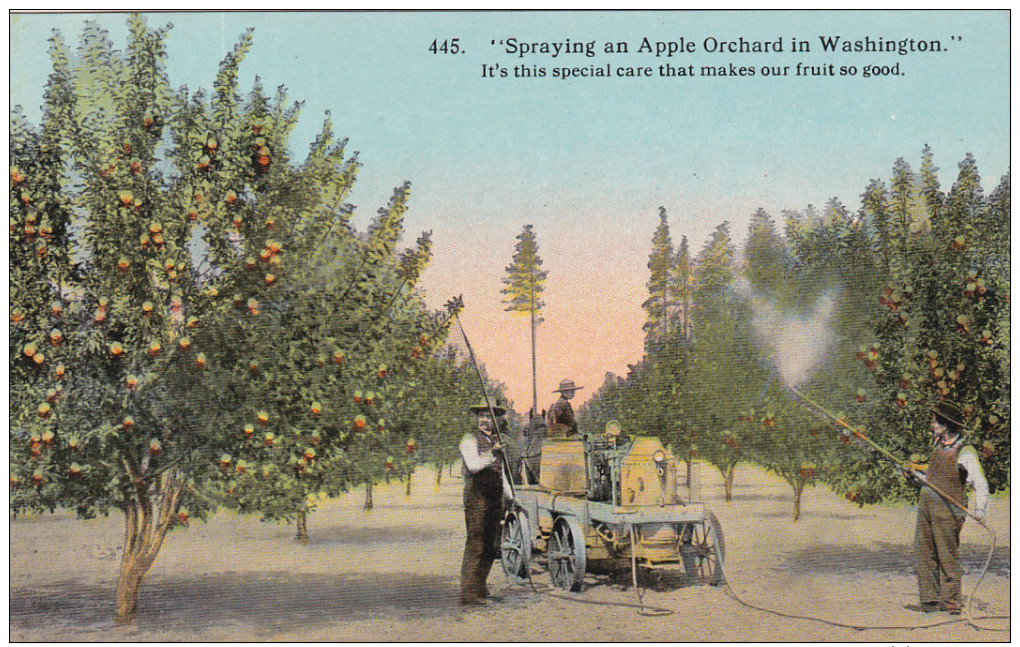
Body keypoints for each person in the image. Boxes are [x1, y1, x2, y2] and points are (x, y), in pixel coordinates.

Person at [910, 401, 989, 615]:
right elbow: (933, 476)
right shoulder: (937, 445)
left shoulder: (965, 451)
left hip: (949, 510)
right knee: (924, 552)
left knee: (947, 555)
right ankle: (930, 600)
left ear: (945, 426)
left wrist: (980, 510)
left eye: (935, 422)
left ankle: (952, 601)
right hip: (927, 504)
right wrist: (915, 475)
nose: (932, 425)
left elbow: (980, 483)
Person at [459, 400, 511, 606]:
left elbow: (502, 473)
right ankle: (468, 594)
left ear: (496, 420)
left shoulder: (496, 442)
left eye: (489, 416)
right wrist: (492, 453)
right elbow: (473, 466)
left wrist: (510, 496)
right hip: (477, 496)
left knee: (491, 545)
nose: (485, 420)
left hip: (494, 497)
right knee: (476, 544)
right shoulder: (469, 440)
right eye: (482, 415)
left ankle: (480, 588)